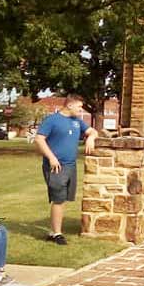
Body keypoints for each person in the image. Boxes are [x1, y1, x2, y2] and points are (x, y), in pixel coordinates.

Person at [34, 94, 98, 245]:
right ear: (69, 105)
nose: (81, 110)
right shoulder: (52, 120)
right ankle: (57, 234)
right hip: (56, 166)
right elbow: (39, 139)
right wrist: (51, 157)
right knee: (58, 199)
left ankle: (53, 231)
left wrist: (91, 138)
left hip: (71, 165)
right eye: (79, 107)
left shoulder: (76, 121)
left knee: (63, 200)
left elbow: (93, 131)